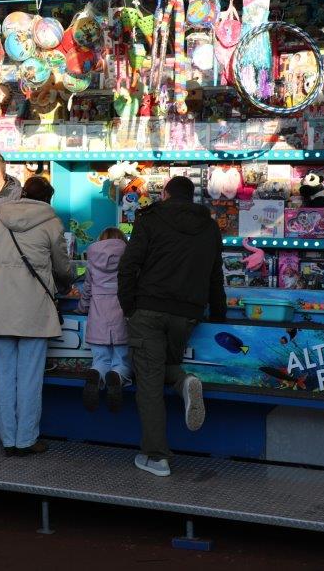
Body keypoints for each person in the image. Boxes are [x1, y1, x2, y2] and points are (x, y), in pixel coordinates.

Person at [117, 175, 224, 478]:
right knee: (163, 366)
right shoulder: (210, 227)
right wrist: (219, 315)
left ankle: (156, 456)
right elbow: (215, 276)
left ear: (164, 194)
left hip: (149, 309)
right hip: (187, 315)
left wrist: (129, 307)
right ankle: (183, 381)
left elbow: (129, 265)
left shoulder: (150, 219)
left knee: (148, 381)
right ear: (192, 197)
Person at [0, 176, 74, 456]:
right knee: (30, 379)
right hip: (34, 309)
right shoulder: (51, 223)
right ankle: (26, 440)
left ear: (21, 194)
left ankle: (8, 441)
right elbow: (63, 268)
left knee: (3, 378)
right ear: (48, 199)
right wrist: (66, 282)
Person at [80, 227, 132, 413]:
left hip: (98, 319)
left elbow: (87, 290)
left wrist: (82, 308)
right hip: (121, 319)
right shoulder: (129, 259)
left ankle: (96, 373)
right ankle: (117, 375)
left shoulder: (92, 261)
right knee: (122, 362)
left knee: (100, 360)